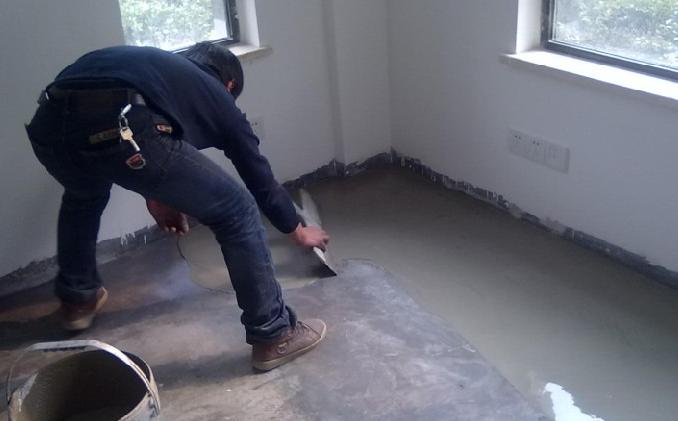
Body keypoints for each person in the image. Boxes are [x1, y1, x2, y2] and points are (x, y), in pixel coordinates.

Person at [25, 42, 329, 371]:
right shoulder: (213, 91)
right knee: (238, 211)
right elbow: (259, 179)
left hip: (49, 129)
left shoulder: (153, 69)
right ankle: (274, 334)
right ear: (228, 84)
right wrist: (296, 229)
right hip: (122, 123)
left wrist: (158, 193)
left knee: (83, 197)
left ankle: (78, 301)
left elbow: (141, 142)